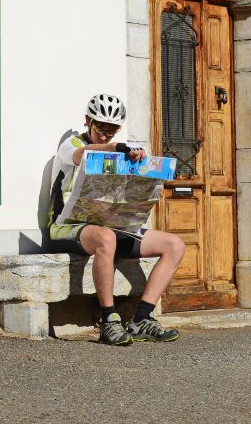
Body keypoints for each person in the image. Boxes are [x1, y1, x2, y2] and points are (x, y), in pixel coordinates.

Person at [48, 94, 186, 345]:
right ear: (88, 121)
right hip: (66, 227)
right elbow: (80, 155)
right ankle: (109, 321)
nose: (106, 134)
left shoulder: (120, 149)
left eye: (112, 129)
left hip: (111, 226)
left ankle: (142, 319)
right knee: (106, 237)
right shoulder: (69, 144)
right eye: (101, 126)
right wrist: (113, 148)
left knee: (174, 245)